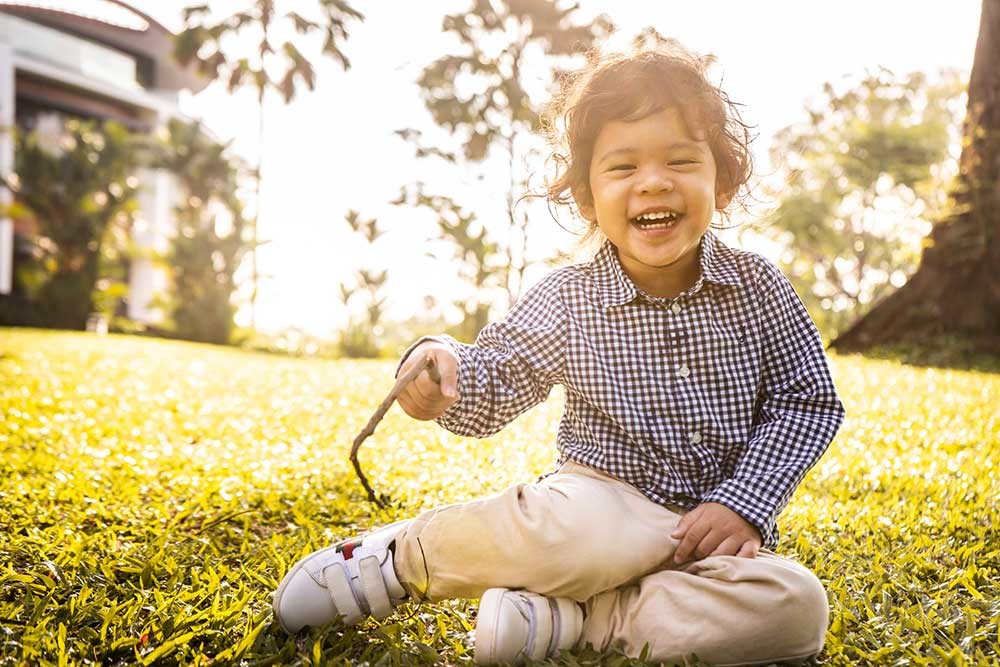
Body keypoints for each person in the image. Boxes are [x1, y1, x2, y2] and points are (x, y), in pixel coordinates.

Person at [272, 41, 845, 666]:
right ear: (587, 198)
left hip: (707, 535)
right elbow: (500, 374)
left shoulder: (759, 287)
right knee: (574, 540)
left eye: (680, 160)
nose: (653, 181)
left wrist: (743, 503)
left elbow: (809, 401)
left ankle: (576, 620)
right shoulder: (571, 298)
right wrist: (446, 371)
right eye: (622, 168)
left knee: (796, 606)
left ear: (722, 183)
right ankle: (396, 561)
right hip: (600, 506)